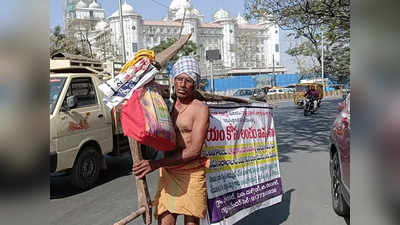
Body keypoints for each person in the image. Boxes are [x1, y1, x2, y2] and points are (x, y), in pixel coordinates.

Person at [133, 56, 210, 225]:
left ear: (195, 84)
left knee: (191, 222)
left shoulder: (200, 109)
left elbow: (194, 150)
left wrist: (154, 164)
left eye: (188, 80)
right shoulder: (167, 103)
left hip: (192, 173)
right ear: (173, 81)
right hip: (169, 172)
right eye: (179, 79)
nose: (182, 84)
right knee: (164, 221)